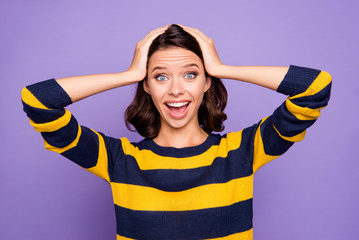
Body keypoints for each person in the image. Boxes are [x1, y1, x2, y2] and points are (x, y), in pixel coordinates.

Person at [21, 24, 332, 240]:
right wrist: (128, 74)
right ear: (146, 85)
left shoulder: (243, 152)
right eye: (160, 77)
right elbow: (38, 101)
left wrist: (223, 68)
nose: (176, 90)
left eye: (190, 74)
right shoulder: (118, 160)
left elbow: (315, 88)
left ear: (206, 81)